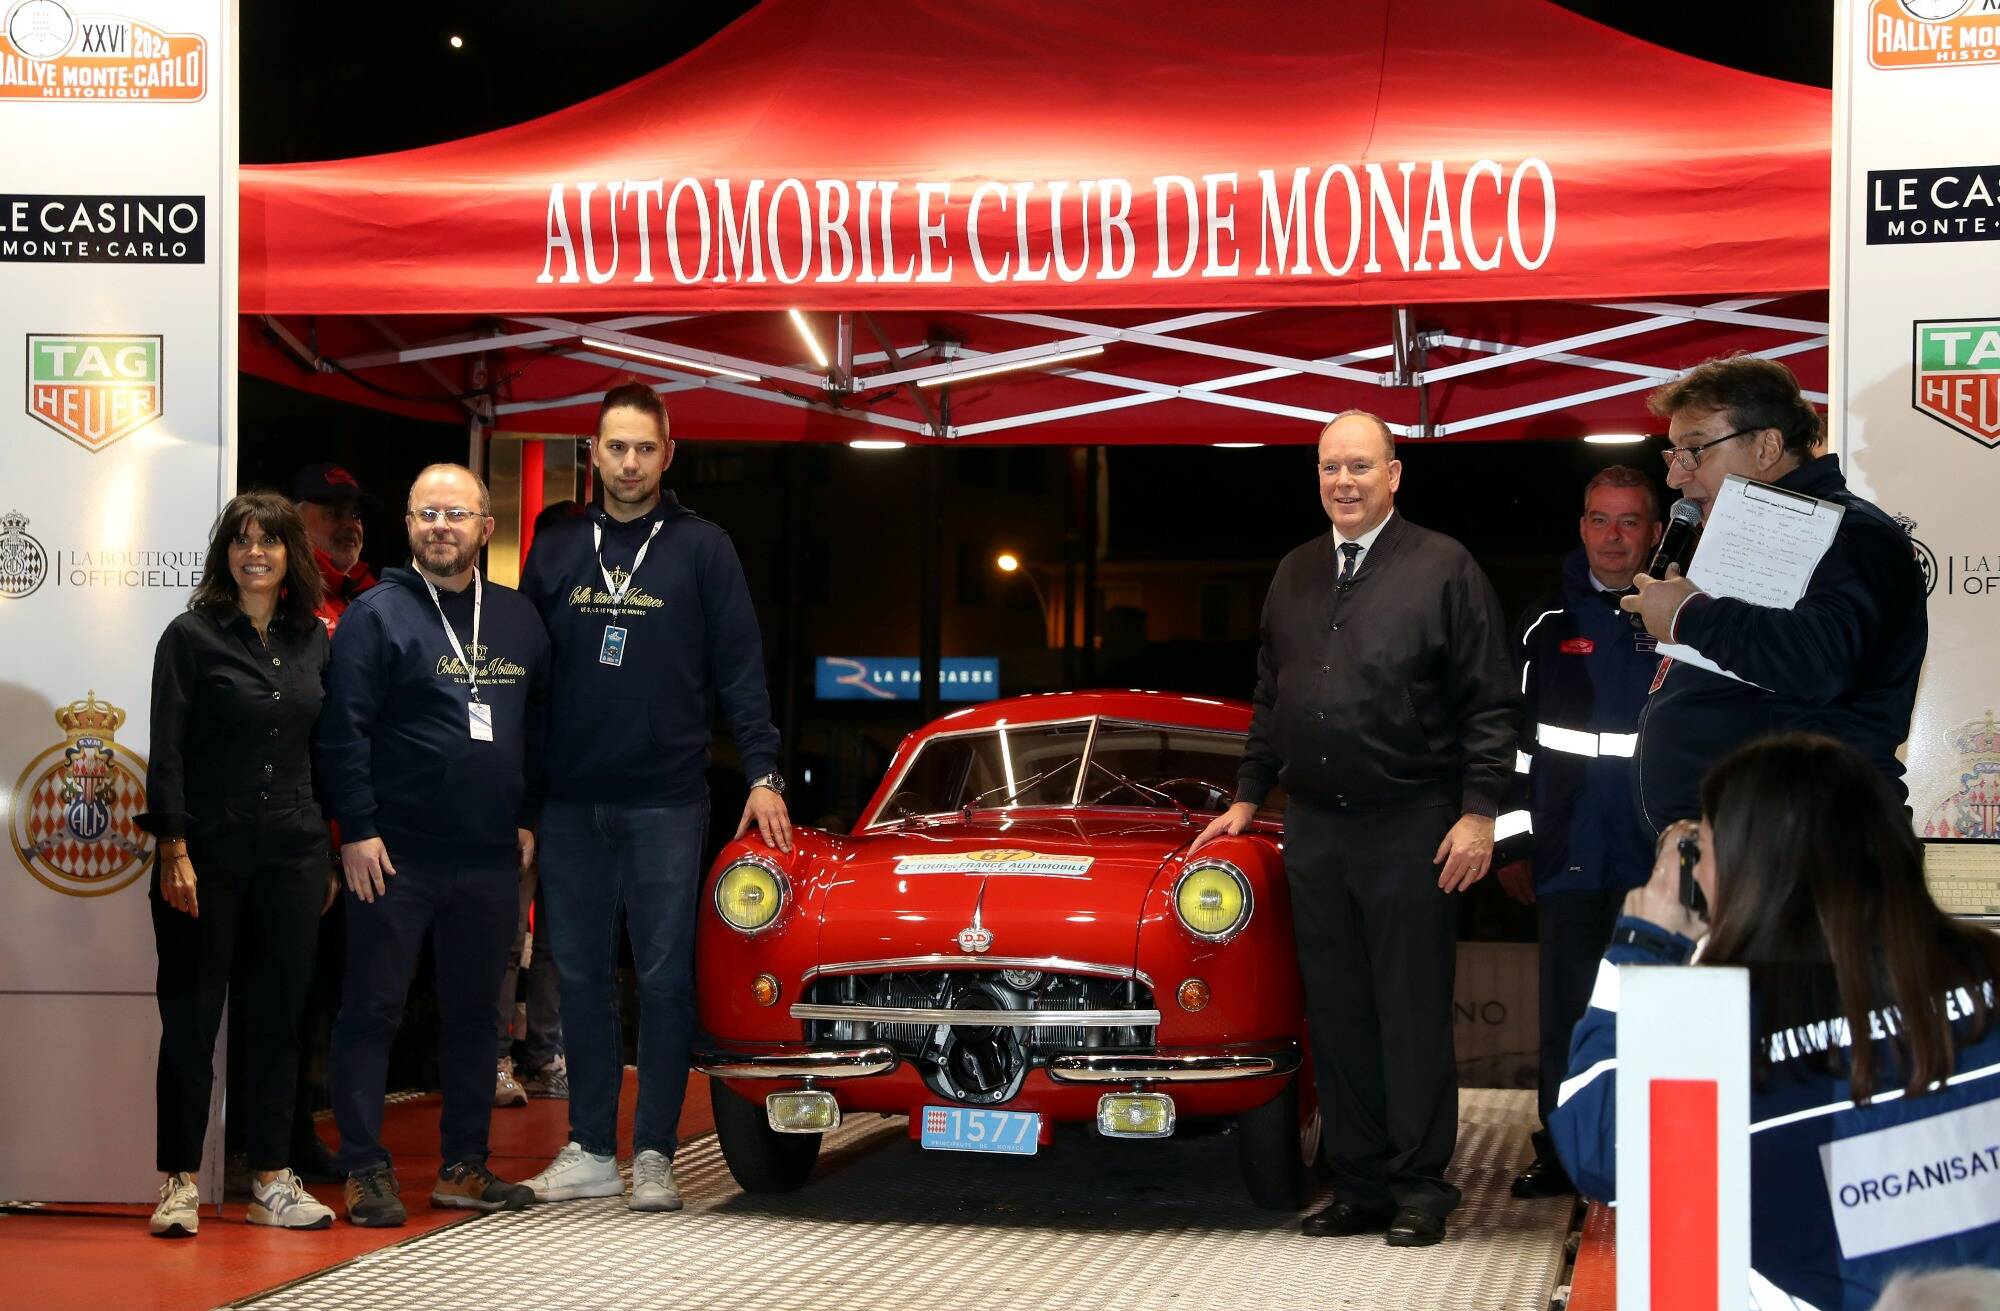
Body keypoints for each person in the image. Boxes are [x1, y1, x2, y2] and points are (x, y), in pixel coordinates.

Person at [1192, 409, 1519, 1247]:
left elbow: (1490, 702)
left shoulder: (1445, 565)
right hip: (1315, 826)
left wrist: (1479, 812)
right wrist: (1247, 791)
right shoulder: (1295, 570)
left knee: (1407, 1011)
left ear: (1395, 474)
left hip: (1413, 821)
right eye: (1331, 468)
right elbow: (1271, 693)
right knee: (1336, 1013)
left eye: (1360, 467)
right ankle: (1361, 1180)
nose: (1344, 481)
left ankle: (1419, 1186)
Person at [1550, 733, 2000, 1310]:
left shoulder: (1716, 1022)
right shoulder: (1985, 966)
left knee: (1676, 1234)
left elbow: (1599, 1154)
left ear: (1747, 868)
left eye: (1701, 848)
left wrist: (1642, 947)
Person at [518, 383, 788, 1213]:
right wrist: (520, 801)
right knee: (582, 974)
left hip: (666, 801)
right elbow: (525, 674)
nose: (630, 462)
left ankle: (659, 1152)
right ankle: (593, 1147)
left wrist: (764, 773)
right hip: (568, 801)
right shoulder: (556, 540)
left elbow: (742, 668)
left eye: (645, 448)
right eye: (616, 447)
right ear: (592, 453)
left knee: (667, 977)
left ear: (669, 455)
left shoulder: (704, 547)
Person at [316, 464, 549, 1226]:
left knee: (478, 1017)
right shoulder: (376, 615)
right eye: (427, 513)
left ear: (486, 526)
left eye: (456, 512)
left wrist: (526, 813)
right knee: (372, 1009)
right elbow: (341, 730)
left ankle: (463, 1166)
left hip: (487, 856)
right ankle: (363, 1166)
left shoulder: (518, 619)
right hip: (394, 855)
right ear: (409, 527)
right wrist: (358, 828)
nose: (441, 525)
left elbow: (538, 727)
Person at [138, 491, 337, 1238]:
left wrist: (329, 852)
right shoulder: (189, 636)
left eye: (271, 541)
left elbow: (326, 752)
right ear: (226, 553)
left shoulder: (314, 638)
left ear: (291, 555)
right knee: (191, 1017)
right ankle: (179, 1182)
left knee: (278, 1021)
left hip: (292, 853)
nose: (256, 552)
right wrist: (173, 847)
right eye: (242, 541)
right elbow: (169, 749)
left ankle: (271, 1178)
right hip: (205, 855)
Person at [1622, 355, 1928, 835]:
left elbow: (1821, 658)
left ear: (1767, 446)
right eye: (1673, 454)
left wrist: (1688, 616)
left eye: (1695, 450)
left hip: (1812, 856)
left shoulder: (1851, 535)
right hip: (1749, 859)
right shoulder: (1753, 532)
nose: (1676, 477)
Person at [1491, 466, 1664, 1200]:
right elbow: (1510, 745)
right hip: (1566, 853)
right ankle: (1562, 1153)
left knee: (1659, 1010)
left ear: (1656, 531)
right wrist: (1511, 842)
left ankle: (1652, 1152)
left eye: (1630, 521)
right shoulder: (1543, 624)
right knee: (1566, 1011)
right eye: (1600, 519)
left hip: (1661, 861)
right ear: (1581, 526)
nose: (1614, 536)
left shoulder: (1684, 617)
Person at [290, 462, 379, 634]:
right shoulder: (280, 593)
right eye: (334, 513)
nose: (350, 524)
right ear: (296, 521)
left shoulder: (377, 596)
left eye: (356, 515)